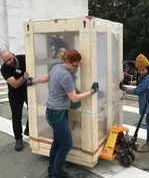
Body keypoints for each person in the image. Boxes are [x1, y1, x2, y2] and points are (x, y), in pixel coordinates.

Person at [28, 49, 99, 178]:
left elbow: (45, 78)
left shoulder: (57, 68)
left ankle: (52, 171)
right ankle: (57, 174)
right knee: (66, 144)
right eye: (76, 64)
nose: (77, 67)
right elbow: (74, 98)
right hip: (58, 114)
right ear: (68, 62)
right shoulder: (66, 76)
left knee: (57, 142)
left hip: (52, 112)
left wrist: (32, 81)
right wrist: (92, 91)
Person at [119, 54, 149, 152]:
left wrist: (123, 88)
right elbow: (140, 82)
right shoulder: (147, 74)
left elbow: (138, 90)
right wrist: (128, 82)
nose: (141, 72)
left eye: (143, 69)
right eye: (139, 70)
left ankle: (148, 144)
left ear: (148, 68)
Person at [0, 50, 29, 152]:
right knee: (16, 116)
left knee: (34, 110)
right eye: (5, 61)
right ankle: (18, 139)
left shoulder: (24, 58)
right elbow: (15, 84)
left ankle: (29, 128)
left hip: (28, 90)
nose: (8, 62)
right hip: (15, 94)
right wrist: (24, 77)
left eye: (9, 59)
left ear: (13, 55)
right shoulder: (4, 69)